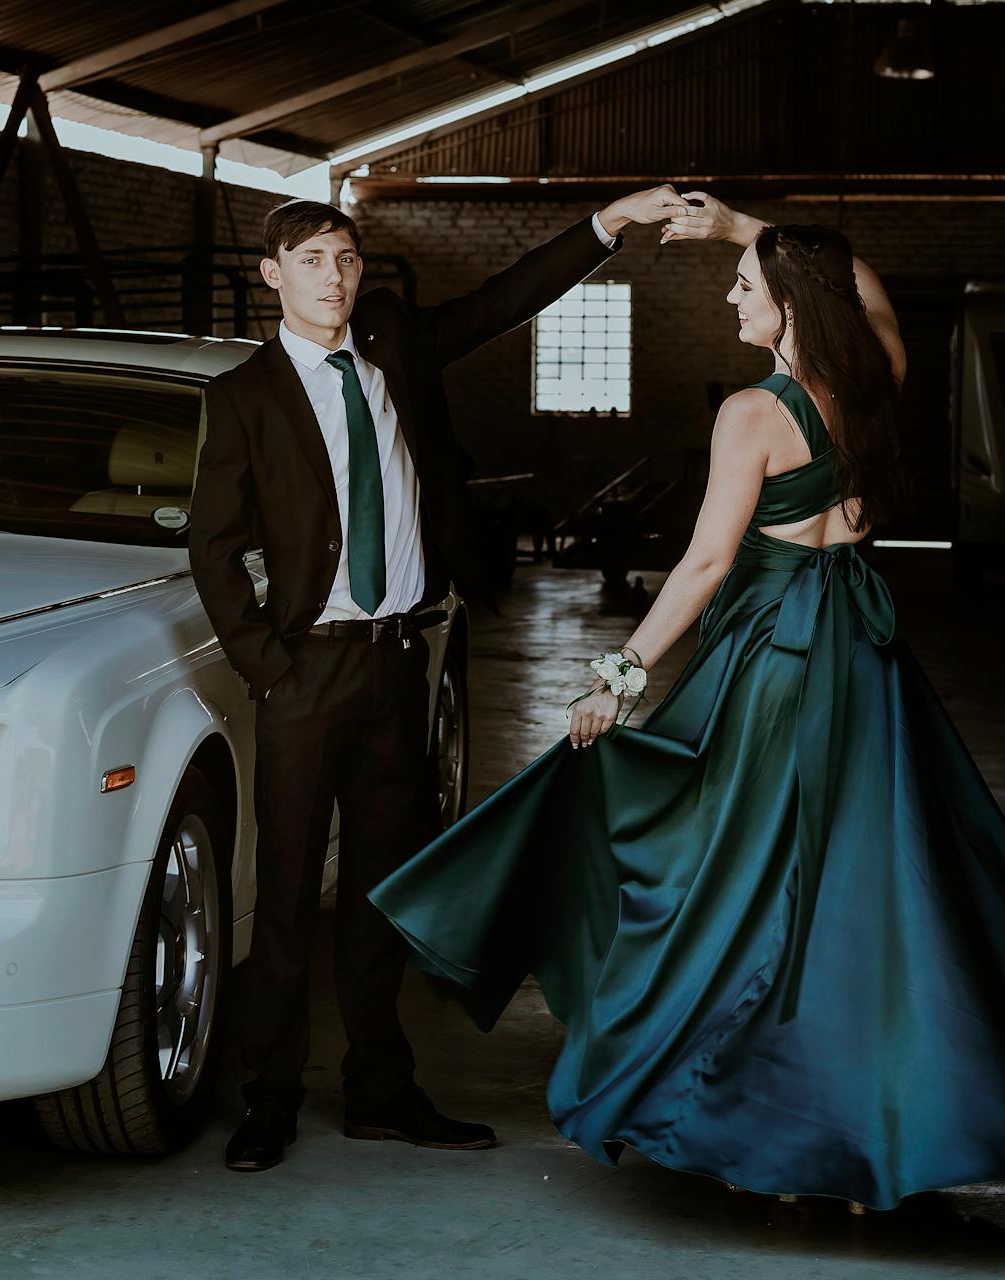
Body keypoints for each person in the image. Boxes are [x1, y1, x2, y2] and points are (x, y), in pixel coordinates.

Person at [368, 193, 1005, 1211]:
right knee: (870, 886)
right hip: (866, 660)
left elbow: (708, 560)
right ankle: (886, 1119)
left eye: (746, 285)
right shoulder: (870, 380)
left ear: (792, 302)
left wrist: (618, 675)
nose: (729, 293)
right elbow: (869, 295)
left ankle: (771, 1119)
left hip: (780, 661)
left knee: (742, 877)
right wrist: (744, 227)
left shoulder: (754, 412)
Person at [188, 186, 690, 1173]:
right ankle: (271, 1097)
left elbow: (507, 298)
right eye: (315, 260)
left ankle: (382, 1088)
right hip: (307, 670)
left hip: (397, 663)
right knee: (287, 892)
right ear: (272, 275)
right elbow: (214, 548)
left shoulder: (396, 345)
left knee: (384, 885)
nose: (336, 276)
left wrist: (611, 221)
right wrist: (268, 668)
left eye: (347, 258)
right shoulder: (242, 395)